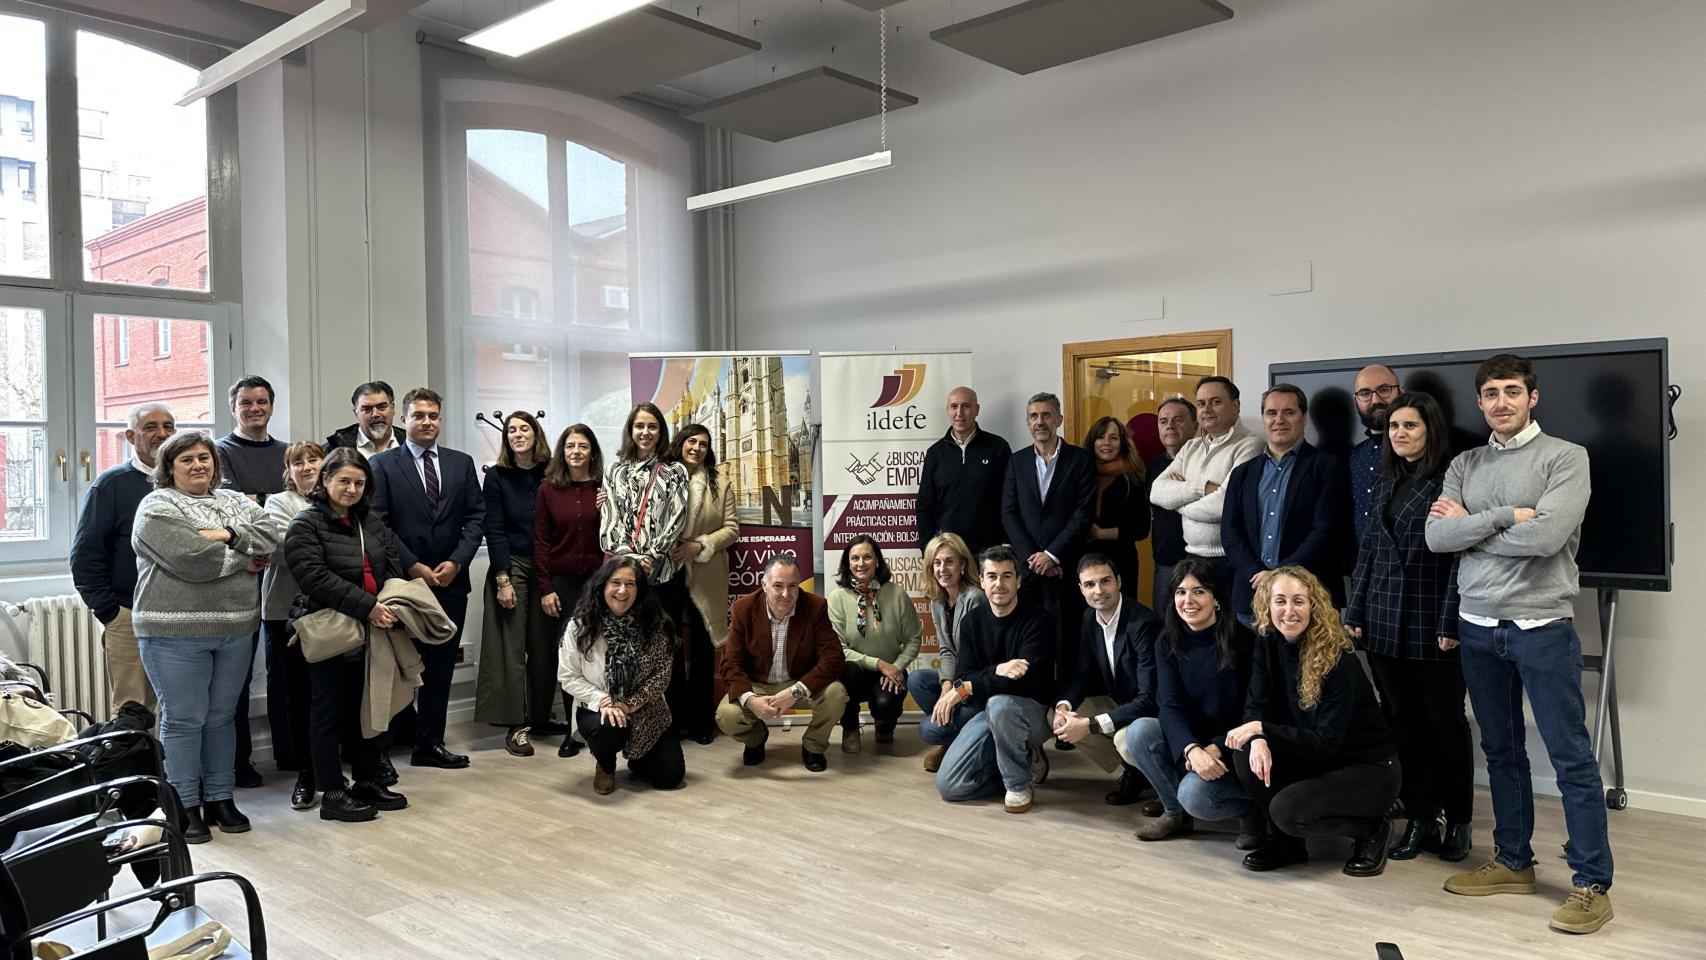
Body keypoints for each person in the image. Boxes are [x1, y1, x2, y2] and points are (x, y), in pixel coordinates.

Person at [1425, 353, 1613, 935]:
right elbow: (1437, 536)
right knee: (1502, 754)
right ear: (1479, 403)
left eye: (1512, 391)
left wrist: (1473, 528)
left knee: (1570, 759)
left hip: (1542, 629)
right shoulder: (1464, 462)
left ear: (1533, 397)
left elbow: (1548, 537)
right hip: (1478, 627)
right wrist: (1508, 515)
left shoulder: (1566, 457)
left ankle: (1590, 884)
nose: (1500, 402)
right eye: (1490, 394)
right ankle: (1513, 861)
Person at [130, 432, 284, 843]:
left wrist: (229, 536)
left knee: (220, 717)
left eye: (204, 458)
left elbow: (270, 537)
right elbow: (190, 560)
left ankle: (219, 798)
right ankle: (183, 806)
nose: (198, 465)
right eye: (187, 460)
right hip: (172, 630)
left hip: (236, 627)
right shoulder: (156, 506)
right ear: (169, 468)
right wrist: (245, 555)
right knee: (184, 719)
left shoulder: (236, 500)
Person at [1346, 391, 1473, 863]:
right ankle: (1420, 818)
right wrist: (1354, 614)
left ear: (1431, 430)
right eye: (1395, 426)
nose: (1399, 434)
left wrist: (1451, 621)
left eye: (1410, 426)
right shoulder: (1385, 479)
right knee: (1404, 725)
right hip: (1382, 621)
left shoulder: (1452, 481)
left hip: (1432, 619)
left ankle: (1458, 820)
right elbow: (1370, 553)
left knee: (1445, 725)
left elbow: (1463, 559)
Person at [1226, 566, 1398, 877]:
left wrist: (1263, 730)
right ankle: (1287, 844)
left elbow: (1326, 743)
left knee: (1287, 811)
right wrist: (1259, 738)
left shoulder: (1337, 658)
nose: (1289, 611)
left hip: (1367, 770)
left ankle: (1371, 828)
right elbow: (1256, 704)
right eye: (1280, 601)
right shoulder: (1267, 641)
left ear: (1313, 606)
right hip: (1315, 759)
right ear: (1268, 605)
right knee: (1245, 752)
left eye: (1298, 601)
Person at [282, 449, 412, 823]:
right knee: (328, 711)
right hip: (330, 629)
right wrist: (367, 606)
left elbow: (391, 562)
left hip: (375, 626)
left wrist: (389, 600)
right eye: (344, 481)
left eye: (359, 482)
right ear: (325, 481)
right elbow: (315, 578)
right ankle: (334, 794)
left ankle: (367, 781)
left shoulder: (369, 521)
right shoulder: (305, 524)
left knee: (367, 705)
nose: (352, 489)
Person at [369, 387, 485, 772]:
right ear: (404, 420)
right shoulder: (384, 465)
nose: (427, 422)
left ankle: (429, 743)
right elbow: (379, 524)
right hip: (404, 585)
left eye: (433, 415)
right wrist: (413, 564)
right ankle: (380, 750)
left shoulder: (461, 463)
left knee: (440, 668)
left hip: (451, 582)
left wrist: (456, 562)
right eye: (418, 415)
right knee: (394, 666)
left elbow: (475, 519)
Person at [1124, 558, 1260, 843]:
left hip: (1235, 745)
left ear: (1217, 599)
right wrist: (1191, 749)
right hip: (1195, 744)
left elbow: (1254, 710)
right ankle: (1176, 814)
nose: (1188, 600)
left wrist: (1217, 746)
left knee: (1194, 794)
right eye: (1181, 592)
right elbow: (1169, 705)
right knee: (1138, 732)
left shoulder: (1244, 641)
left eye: (1198, 591)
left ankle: (1253, 813)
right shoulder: (1167, 641)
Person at [932, 545, 1055, 814]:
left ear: (1019, 580)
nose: (999, 584)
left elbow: (1026, 681)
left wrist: (971, 685)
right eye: (992, 576)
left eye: (1007, 576)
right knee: (949, 786)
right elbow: (963, 675)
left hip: (1033, 714)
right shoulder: (973, 621)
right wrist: (998, 670)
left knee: (1001, 703)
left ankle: (1019, 784)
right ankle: (1011, 768)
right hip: (988, 712)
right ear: (983, 580)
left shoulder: (1038, 620)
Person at [71, 401, 175, 717]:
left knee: (181, 709)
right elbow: (85, 555)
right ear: (130, 437)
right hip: (129, 615)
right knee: (135, 711)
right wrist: (111, 613)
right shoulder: (111, 485)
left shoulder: (183, 482)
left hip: (181, 618)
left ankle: (179, 770)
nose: (162, 434)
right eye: (150, 427)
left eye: (168, 427)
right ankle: (137, 768)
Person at [1220, 384, 1352, 623]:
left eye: (1288, 412)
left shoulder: (1328, 467)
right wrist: (1257, 575)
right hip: (1252, 597)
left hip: (1310, 598)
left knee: (1311, 662)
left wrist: (1279, 575)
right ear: (1263, 419)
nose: (1278, 419)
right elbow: (1230, 532)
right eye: (1271, 413)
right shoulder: (1242, 473)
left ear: (1304, 417)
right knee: (1255, 661)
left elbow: (1326, 532)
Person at [215, 375, 289, 790]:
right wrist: (267, 506)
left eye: (261, 401)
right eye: (246, 402)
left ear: (271, 406)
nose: (254, 408)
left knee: (284, 670)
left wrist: (256, 502)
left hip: (282, 576)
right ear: (233, 408)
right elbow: (229, 509)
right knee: (236, 679)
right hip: (240, 577)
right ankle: (237, 762)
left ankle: (289, 753)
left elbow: (296, 506)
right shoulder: (220, 454)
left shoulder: (285, 453)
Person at [474, 411, 561, 758]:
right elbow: (493, 528)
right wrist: (503, 578)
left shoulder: (552, 474)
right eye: (512, 429)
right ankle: (516, 726)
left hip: (547, 567)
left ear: (535, 433)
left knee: (544, 647)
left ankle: (539, 717)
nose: (517, 434)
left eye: (524, 428)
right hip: (510, 567)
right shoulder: (496, 477)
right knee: (510, 650)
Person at [559, 557, 686, 795]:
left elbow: (661, 676)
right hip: (598, 708)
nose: (622, 590)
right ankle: (605, 764)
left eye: (630, 584)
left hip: (646, 708)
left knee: (670, 777)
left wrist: (629, 704)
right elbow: (568, 676)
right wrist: (603, 701)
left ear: (639, 589)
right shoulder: (580, 626)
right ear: (602, 586)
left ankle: (638, 758)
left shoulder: (656, 624)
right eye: (615, 582)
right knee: (608, 727)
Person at [1001, 391, 1097, 694]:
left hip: (1066, 567)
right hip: (1029, 571)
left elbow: (1083, 514)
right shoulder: (1016, 462)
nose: (1039, 421)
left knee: (1067, 641)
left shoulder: (1081, 460)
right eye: (1033, 416)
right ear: (1028, 422)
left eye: (1046, 415)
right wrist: (1034, 557)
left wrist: (1052, 555)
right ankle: (1033, 705)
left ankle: (1065, 712)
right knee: (1029, 640)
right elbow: (1008, 513)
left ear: (1059, 419)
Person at [715, 554, 848, 772]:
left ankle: (814, 746)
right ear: (764, 585)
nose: (786, 594)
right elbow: (730, 662)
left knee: (836, 694)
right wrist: (750, 701)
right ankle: (756, 739)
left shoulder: (815, 607)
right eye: (778, 586)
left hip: (799, 683)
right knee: (726, 716)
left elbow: (833, 658)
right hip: (759, 684)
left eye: (793, 586)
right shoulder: (743, 608)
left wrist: (795, 692)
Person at [1052, 553, 1160, 806]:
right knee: (1057, 716)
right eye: (1089, 585)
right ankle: (1135, 771)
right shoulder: (1090, 618)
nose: (1098, 591)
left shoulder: (1144, 624)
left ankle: (1164, 785)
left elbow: (1149, 698)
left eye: (1105, 581)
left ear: (1119, 582)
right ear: (1080, 589)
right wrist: (1064, 706)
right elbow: (1082, 673)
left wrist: (1090, 725)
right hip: (1122, 703)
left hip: (1152, 713)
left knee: (1125, 739)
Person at [1149, 376, 1263, 589]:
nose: (1207, 409)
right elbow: (1156, 492)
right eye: (1201, 403)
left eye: (1215, 401)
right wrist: (1201, 488)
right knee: (1193, 620)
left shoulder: (1250, 446)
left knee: (1228, 622)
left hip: (1230, 559)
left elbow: (1223, 505)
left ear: (1235, 406)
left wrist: (1178, 502)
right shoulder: (1191, 447)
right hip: (1190, 556)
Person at [260, 441, 324, 811]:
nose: (306, 467)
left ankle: (331, 768)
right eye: (297, 462)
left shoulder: (337, 499)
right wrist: (326, 542)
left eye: (313, 459)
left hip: (332, 613)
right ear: (289, 470)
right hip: (285, 613)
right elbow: (282, 548)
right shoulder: (279, 503)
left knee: (331, 696)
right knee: (296, 696)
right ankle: (306, 775)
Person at [534, 423, 605, 757]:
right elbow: (541, 541)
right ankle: (572, 731)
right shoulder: (548, 490)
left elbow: (614, 534)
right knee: (570, 654)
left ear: (592, 451)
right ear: (562, 451)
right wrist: (545, 587)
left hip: (599, 583)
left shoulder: (604, 487)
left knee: (600, 653)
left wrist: (610, 506)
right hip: (561, 583)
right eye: (570, 446)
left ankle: (601, 724)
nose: (576, 451)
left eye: (583, 446)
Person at [666, 424, 739, 744]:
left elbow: (732, 529)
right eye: (691, 441)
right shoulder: (661, 478)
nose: (696, 447)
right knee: (669, 648)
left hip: (705, 574)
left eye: (704, 444)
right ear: (680, 443)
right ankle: (673, 719)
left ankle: (701, 722)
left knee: (701, 649)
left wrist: (700, 545)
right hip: (667, 573)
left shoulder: (720, 483)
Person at [827, 535, 922, 754]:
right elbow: (838, 648)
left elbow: (913, 638)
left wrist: (896, 667)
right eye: (855, 558)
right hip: (855, 671)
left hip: (890, 671)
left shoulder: (896, 594)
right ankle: (850, 728)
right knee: (843, 671)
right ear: (847, 563)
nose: (861, 563)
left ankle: (885, 724)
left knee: (885, 705)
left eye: (867, 557)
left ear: (877, 560)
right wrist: (879, 664)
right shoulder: (837, 598)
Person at [911, 532, 985, 772]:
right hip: (957, 680)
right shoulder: (938, 600)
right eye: (937, 563)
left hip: (978, 685)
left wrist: (954, 693)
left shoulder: (975, 598)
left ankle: (956, 739)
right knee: (917, 679)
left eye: (949, 561)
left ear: (963, 564)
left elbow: (977, 659)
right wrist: (945, 686)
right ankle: (952, 740)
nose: (942, 568)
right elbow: (947, 650)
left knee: (927, 729)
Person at [916, 386, 1011, 556]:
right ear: (947, 410)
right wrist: (927, 548)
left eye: (966, 406)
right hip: (947, 552)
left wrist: (1006, 544)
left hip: (990, 551)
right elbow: (924, 506)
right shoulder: (935, 454)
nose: (959, 412)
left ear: (977, 409)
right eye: (954, 406)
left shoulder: (998, 448)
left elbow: (1010, 500)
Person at [1082, 416, 1150, 593]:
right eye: (1100, 437)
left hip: (1121, 560)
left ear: (1123, 443)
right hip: (1084, 560)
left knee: (1123, 616)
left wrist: (1100, 533)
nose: (1107, 443)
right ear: (1092, 442)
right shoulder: (1080, 476)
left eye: (1113, 438)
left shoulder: (1133, 478)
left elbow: (1141, 528)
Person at [1147, 398, 1198, 614]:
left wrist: (1178, 491)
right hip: (1166, 562)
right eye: (1164, 421)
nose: (1170, 426)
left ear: (1196, 425)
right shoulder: (1154, 466)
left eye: (1178, 420)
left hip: (1199, 560)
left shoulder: (1204, 462)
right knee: (1164, 627)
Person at [1348, 364, 1402, 544]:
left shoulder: (1420, 453)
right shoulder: (1355, 456)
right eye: (1365, 394)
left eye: (1384, 390)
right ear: (1356, 400)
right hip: (1358, 568)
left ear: (1401, 392)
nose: (1376, 400)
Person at [324, 381, 405, 457]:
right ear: (356, 413)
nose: (375, 414)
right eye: (367, 409)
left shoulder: (412, 442)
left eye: (382, 407)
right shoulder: (334, 448)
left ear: (392, 408)